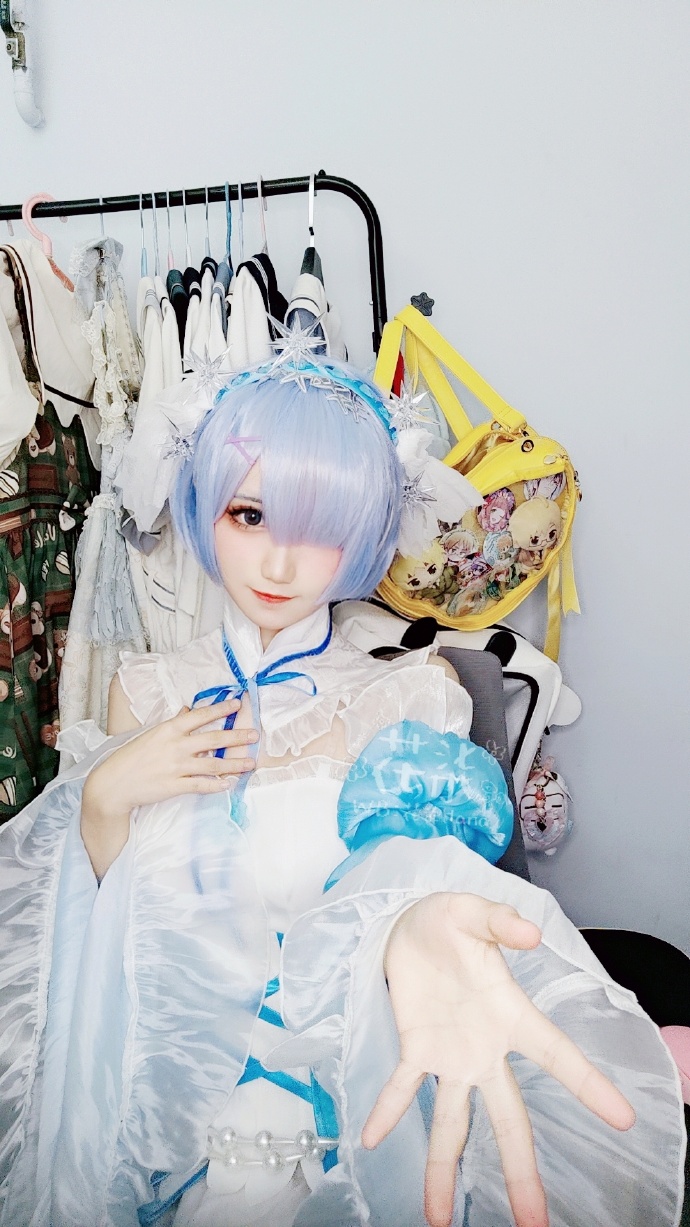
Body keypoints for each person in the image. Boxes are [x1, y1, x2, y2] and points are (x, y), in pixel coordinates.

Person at [0, 348, 684, 1227]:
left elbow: (424, 883)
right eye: (249, 514)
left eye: (319, 528)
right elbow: (97, 942)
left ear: (364, 535)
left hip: (345, 1106)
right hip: (164, 1114)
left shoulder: (410, 693)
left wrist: (416, 921)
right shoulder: (147, 689)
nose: (278, 562)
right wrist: (103, 799)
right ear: (206, 503)